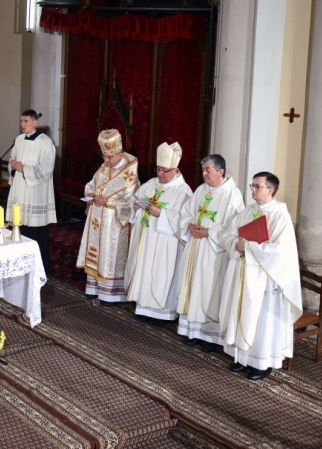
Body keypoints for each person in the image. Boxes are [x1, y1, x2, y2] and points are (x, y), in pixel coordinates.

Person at [219, 172, 302, 380]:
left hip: (264, 278)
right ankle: (242, 358)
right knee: (242, 314)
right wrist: (236, 243)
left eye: (257, 186)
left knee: (261, 321)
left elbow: (280, 251)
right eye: (252, 185)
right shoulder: (248, 211)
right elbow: (228, 235)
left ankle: (261, 363)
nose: (253, 190)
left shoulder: (280, 216)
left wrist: (248, 246)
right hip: (243, 272)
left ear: (270, 190)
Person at [176, 154, 245, 351]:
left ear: (220, 171)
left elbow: (234, 228)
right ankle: (193, 332)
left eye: (208, 170)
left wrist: (209, 233)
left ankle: (210, 337)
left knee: (209, 291)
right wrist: (189, 225)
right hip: (195, 247)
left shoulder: (232, 195)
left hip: (214, 252)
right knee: (193, 286)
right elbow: (187, 212)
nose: (204, 174)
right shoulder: (202, 190)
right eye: (203, 170)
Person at [124, 142, 193, 321]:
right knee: (144, 270)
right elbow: (134, 201)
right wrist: (135, 206)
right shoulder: (150, 184)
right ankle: (143, 307)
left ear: (175, 169)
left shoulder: (183, 192)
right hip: (145, 239)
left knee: (161, 275)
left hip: (165, 245)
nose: (160, 174)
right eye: (158, 169)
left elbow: (185, 221)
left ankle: (161, 314)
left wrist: (162, 214)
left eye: (164, 170)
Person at [76, 129, 138, 304]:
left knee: (108, 255)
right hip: (97, 218)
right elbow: (91, 184)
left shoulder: (130, 174)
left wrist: (108, 202)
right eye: (104, 156)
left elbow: (130, 202)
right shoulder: (104, 167)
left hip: (113, 224)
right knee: (96, 254)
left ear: (119, 154)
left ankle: (110, 294)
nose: (105, 160)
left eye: (109, 157)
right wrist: (90, 194)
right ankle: (94, 288)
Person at [6, 109, 58, 272]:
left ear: (35, 122)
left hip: (34, 192)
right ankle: (17, 263)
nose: (23, 124)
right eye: (21, 121)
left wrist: (24, 169)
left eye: (26, 121)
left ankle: (38, 267)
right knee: (18, 225)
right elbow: (13, 159)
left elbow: (47, 168)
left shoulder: (45, 142)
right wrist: (13, 166)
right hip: (19, 189)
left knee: (35, 229)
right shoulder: (19, 139)